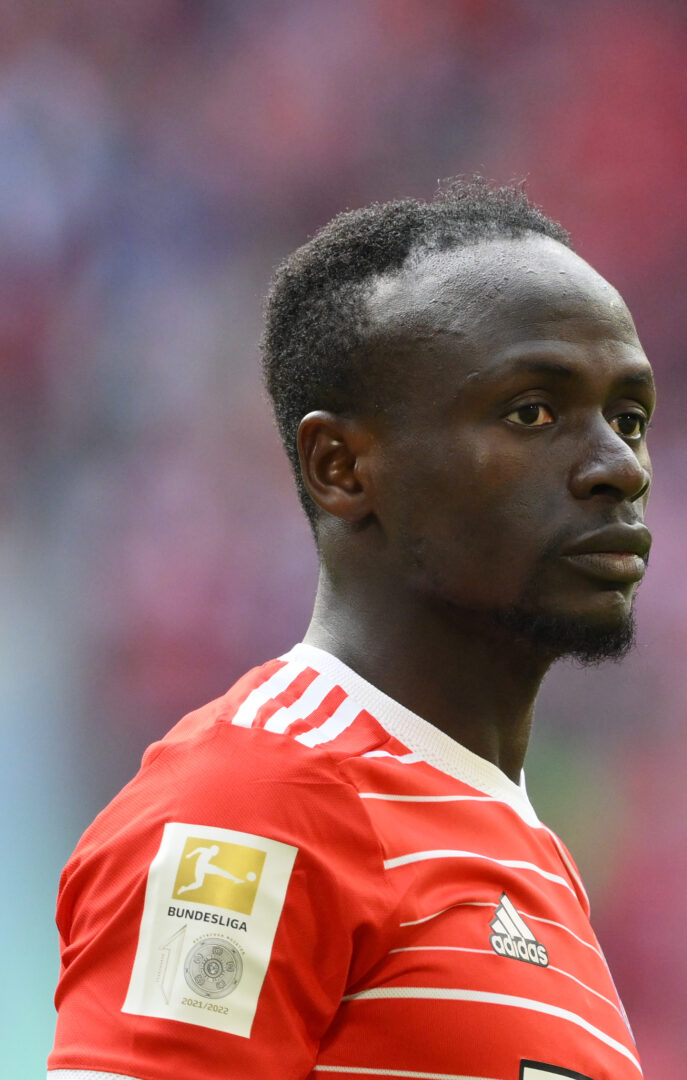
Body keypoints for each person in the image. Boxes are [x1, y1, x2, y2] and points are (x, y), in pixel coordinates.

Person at [48, 178, 655, 1080]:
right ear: (341, 467)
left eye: (630, 418)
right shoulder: (256, 802)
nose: (619, 467)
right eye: (532, 412)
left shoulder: (526, 853)